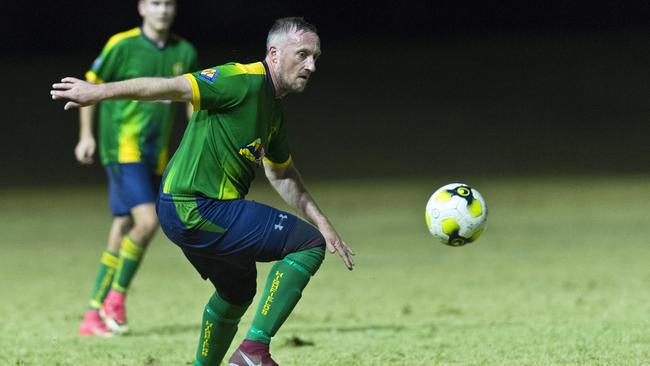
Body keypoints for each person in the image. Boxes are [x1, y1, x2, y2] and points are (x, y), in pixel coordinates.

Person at [52, 16, 354, 365]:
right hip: (197, 206)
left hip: (185, 211)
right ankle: (253, 352)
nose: (311, 65)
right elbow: (171, 86)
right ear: (274, 53)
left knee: (237, 292)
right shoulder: (238, 80)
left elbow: (282, 172)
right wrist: (98, 93)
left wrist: (324, 222)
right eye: (302, 54)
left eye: (315, 57)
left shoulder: (275, 110)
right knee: (307, 245)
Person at [74, 0, 197, 336]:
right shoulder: (122, 45)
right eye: (155, 3)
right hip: (122, 149)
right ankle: (117, 298)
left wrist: (197, 141)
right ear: (142, 8)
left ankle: (92, 316)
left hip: (155, 155)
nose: (163, 10)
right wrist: (86, 136)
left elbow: (190, 103)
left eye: (169, 4)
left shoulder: (184, 51)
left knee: (123, 225)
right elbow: (90, 87)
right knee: (148, 221)